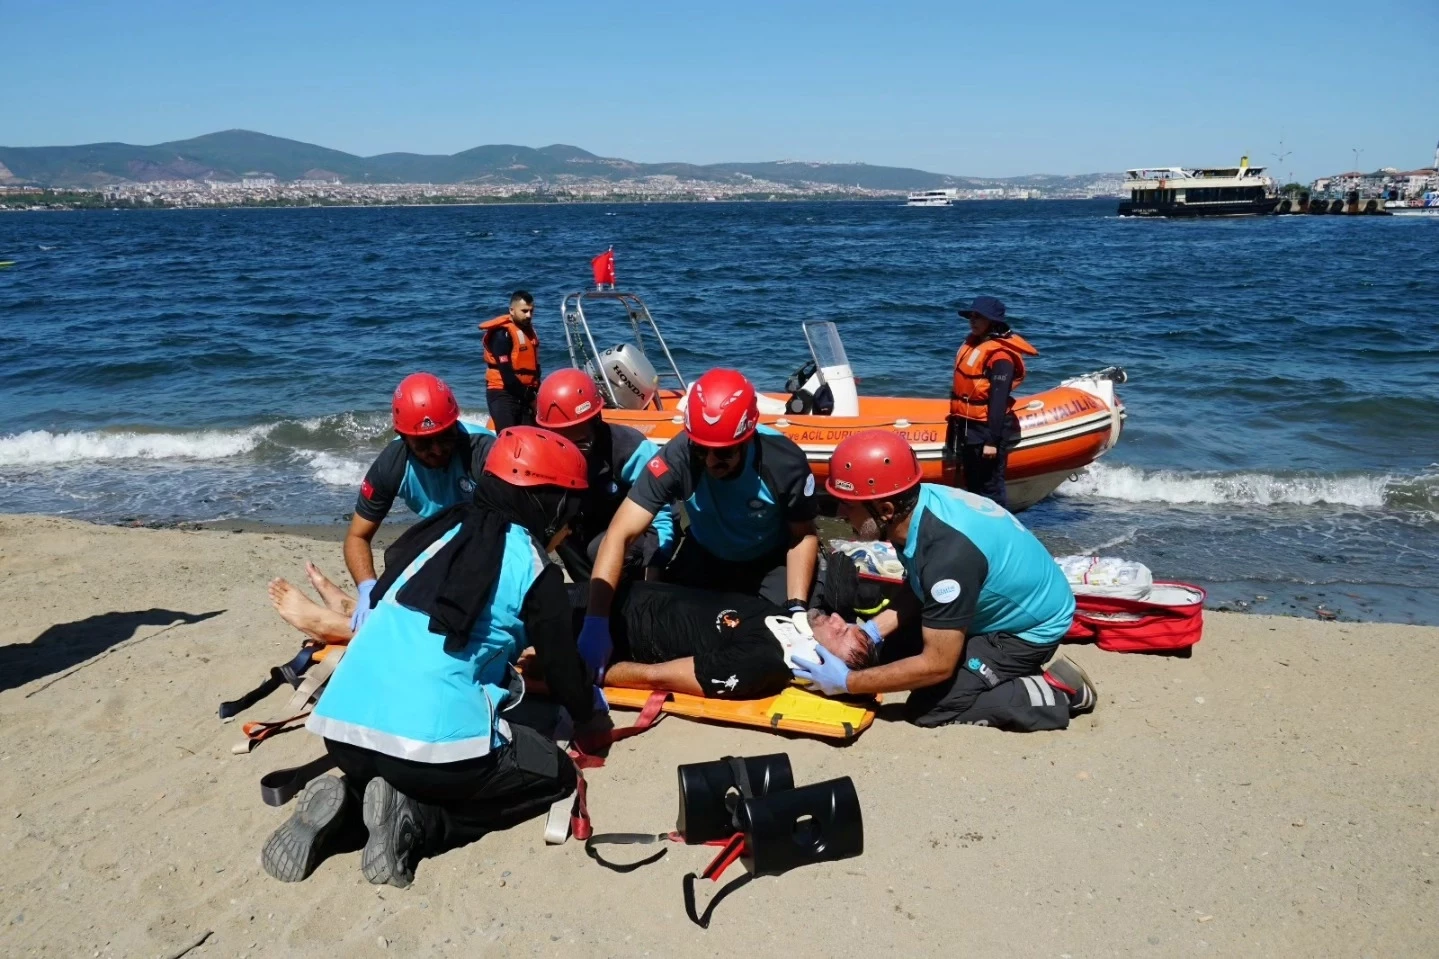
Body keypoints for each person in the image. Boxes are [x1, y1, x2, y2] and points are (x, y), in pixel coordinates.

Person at [261, 427, 600, 887]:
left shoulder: (435, 531)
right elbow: (563, 673)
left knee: (399, 765)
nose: (571, 525)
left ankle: (347, 802)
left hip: (341, 736)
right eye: (569, 508)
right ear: (550, 503)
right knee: (553, 774)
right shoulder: (534, 566)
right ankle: (420, 823)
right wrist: (589, 713)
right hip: (426, 753)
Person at [793, 430, 1096, 732]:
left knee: (929, 708)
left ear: (885, 510)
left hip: (1027, 631)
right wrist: (873, 631)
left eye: (848, 505)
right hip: (984, 601)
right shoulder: (911, 507)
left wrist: (848, 682)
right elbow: (920, 582)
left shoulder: (946, 555)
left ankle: (1060, 692)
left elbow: (938, 664)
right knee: (883, 656)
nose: (840, 514)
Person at [578, 368, 820, 680]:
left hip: (768, 559)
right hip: (706, 552)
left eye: (723, 453)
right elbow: (620, 533)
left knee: (778, 639)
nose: (710, 461)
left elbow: (802, 537)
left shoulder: (784, 463)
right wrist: (596, 620)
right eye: (701, 450)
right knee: (667, 623)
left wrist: (796, 606)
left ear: (747, 439)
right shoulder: (679, 456)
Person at [345, 373, 495, 633]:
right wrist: (367, 588)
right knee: (396, 559)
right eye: (424, 443)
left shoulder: (484, 452)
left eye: (445, 436)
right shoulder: (392, 464)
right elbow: (357, 537)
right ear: (403, 438)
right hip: (442, 531)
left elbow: (517, 526)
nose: (437, 450)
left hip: (486, 529)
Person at [533, 368, 676, 581]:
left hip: (635, 529)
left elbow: (662, 516)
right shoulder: (544, 454)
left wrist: (654, 573)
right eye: (561, 443)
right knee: (559, 535)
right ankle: (589, 589)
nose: (570, 452)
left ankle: (629, 590)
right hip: (589, 524)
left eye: (580, 444)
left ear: (597, 422)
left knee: (600, 549)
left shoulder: (630, 449)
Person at [943, 295, 1038, 510]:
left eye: (979, 317)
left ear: (992, 321)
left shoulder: (1001, 357)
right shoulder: (974, 345)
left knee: (990, 488)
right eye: (971, 316)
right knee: (973, 485)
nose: (972, 321)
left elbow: (998, 400)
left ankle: (997, 525)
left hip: (987, 430)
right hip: (968, 427)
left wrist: (992, 441)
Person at [479, 290, 541, 431]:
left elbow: (536, 369)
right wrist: (530, 396)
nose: (529, 315)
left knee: (530, 435)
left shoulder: (529, 333)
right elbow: (507, 375)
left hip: (524, 393)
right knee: (509, 435)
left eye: (531, 311)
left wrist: (536, 391)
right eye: (524, 311)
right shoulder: (501, 335)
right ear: (512, 310)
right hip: (502, 393)